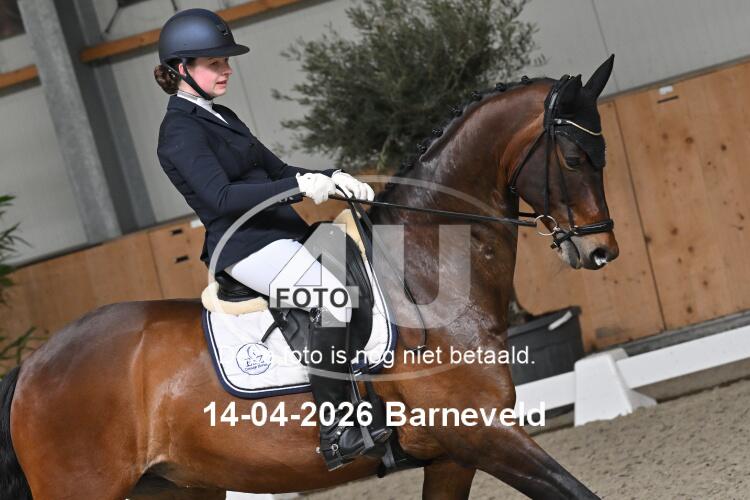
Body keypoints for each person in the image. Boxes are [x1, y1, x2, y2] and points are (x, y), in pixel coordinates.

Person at [153, 8, 387, 470]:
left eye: (226, 61)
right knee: (331, 296)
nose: (227, 69)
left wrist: (333, 177)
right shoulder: (178, 132)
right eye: (215, 63)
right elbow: (221, 198)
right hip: (245, 245)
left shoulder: (222, 115)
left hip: (282, 232)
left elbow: (278, 170)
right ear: (182, 68)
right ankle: (337, 429)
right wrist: (298, 188)